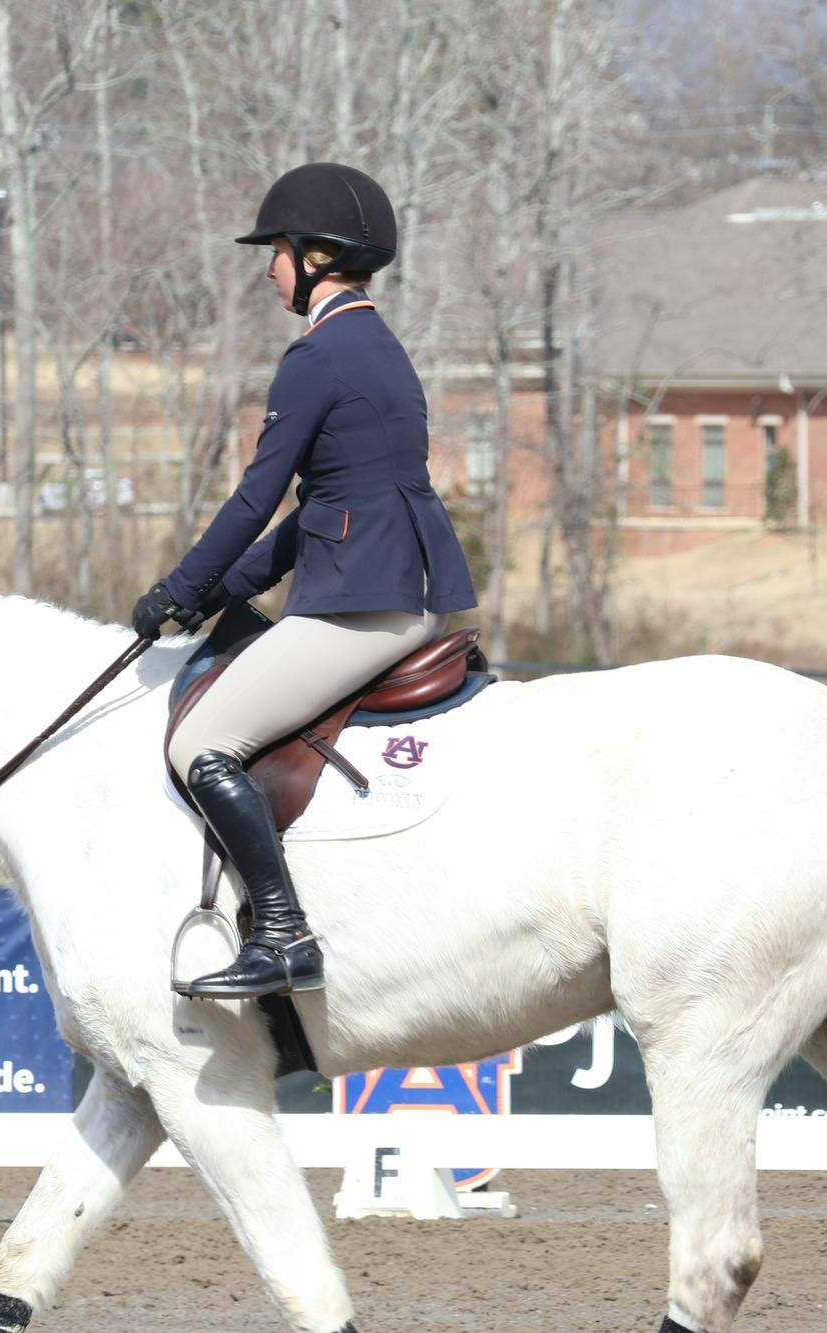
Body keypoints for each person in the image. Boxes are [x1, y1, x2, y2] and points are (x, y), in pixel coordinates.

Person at [131, 162, 477, 1000]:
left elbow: (258, 495)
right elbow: (321, 507)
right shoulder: (380, 346)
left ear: (315, 254)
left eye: (276, 251)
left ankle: (283, 933)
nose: (268, 268)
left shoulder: (317, 356)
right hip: (400, 583)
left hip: (363, 602)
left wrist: (179, 586)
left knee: (198, 744)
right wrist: (216, 590)